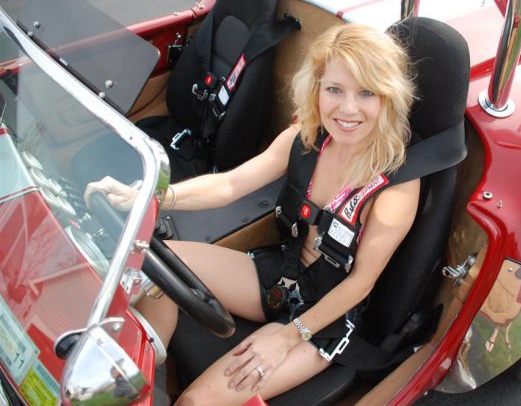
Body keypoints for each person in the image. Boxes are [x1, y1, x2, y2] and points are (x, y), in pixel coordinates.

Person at [86, 23, 419, 405]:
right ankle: (137, 375)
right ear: (316, 88)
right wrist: (147, 196)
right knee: (154, 266)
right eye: (334, 90)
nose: (347, 108)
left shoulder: (397, 185)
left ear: (388, 96)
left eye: (366, 93)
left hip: (327, 316)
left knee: (195, 403)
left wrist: (288, 336)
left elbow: (361, 283)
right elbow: (230, 185)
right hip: (282, 274)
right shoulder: (307, 137)